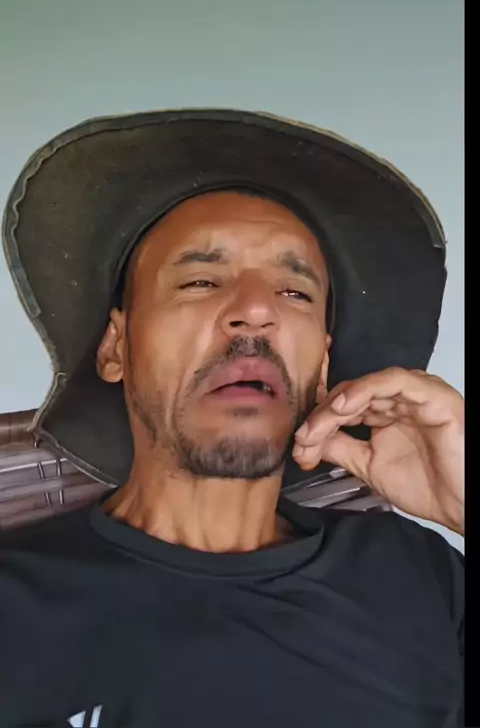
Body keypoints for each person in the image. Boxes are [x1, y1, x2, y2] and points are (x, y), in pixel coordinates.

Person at [1, 110, 464, 728]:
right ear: (116, 348)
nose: (255, 311)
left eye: (295, 293)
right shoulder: (14, 606)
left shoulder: (417, 572)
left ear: (322, 366)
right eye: (200, 280)